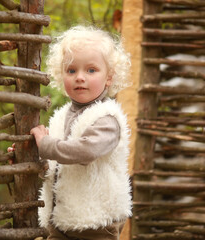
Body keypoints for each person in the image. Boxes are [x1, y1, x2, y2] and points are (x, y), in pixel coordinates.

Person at [10, 25, 132, 240]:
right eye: (71, 70)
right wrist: (30, 156)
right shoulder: (62, 116)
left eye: (91, 70)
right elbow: (57, 164)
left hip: (96, 223)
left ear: (109, 77)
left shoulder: (107, 118)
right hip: (61, 221)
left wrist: (46, 144)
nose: (80, 77)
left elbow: (84, 152)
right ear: (61, 74)